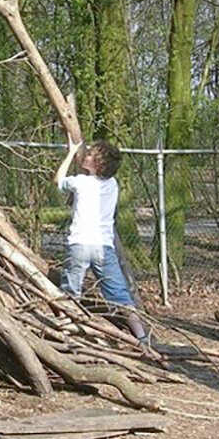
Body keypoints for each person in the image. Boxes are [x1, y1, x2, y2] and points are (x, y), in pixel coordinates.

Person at [55, 139, 149, 346]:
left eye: (89, 154)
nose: (85, 156)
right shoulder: (113, 185)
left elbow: (59, 181)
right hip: (103, 248)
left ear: (97, 163)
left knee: (71, 293)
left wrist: (70, 153)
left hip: (79, 244)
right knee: (120, 295)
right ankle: (142, 338)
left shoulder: (80, 182)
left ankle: (65, 335)